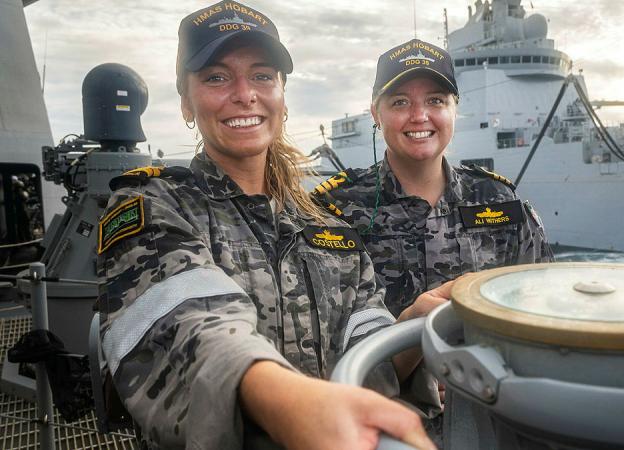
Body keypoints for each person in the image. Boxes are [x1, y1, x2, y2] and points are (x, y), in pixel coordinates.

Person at [96, 3, 443, 449]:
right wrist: (293, 405)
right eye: (217, 77)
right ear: (186, 101)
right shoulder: (153, 207)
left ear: (282, 94)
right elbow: (189, 331)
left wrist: (413, 326)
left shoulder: (328, 230)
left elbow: (368, 357)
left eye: (262, 75)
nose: (245, 94)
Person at [313, 38, 553, 319]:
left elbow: (543, 308)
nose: (419, 116)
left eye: (435, 100)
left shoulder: (500, 201)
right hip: (370, 364)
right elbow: (322, 336)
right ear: (376, 113)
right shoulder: (332, 211)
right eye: (400, 102)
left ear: (454, 110)